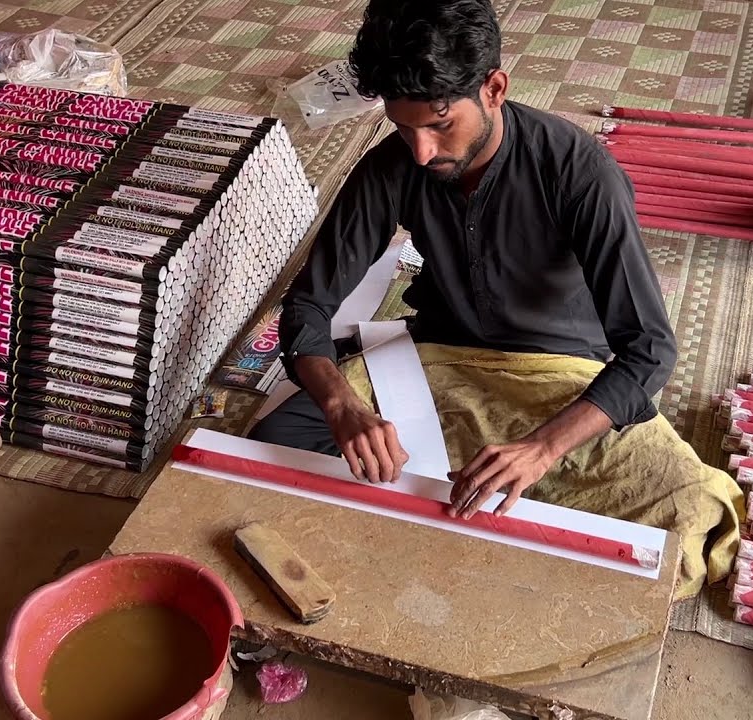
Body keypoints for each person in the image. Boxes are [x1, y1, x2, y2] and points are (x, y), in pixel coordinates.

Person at [248, 0, 676, 519]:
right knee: (276, 443)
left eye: (440, 124)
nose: (423, 152)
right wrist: (342, 407)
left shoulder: (580, 173)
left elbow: (649, 348)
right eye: (405, 129)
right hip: (437, 357)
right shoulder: (393, 166)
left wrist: (541, 449)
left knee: (674, 501)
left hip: (557, 369)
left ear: (494, 89)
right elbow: (309, 306)